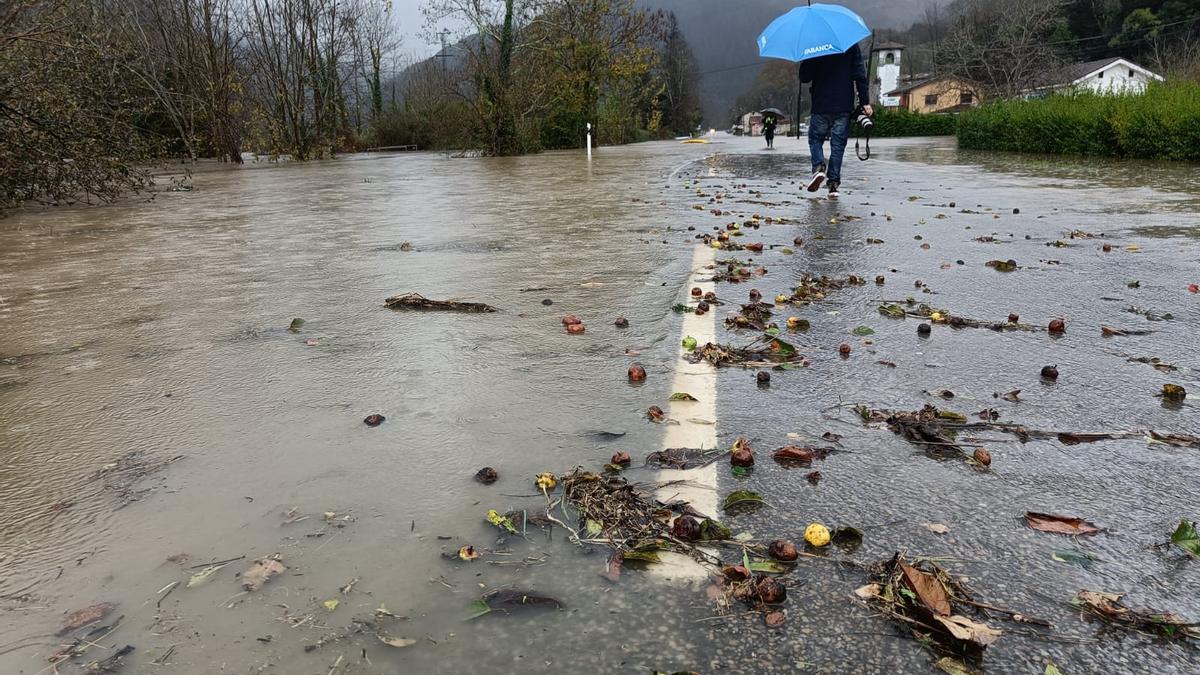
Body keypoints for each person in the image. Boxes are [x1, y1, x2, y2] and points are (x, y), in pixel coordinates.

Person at [799, 43, 872, 199]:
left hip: (821, 104)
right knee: (838, 145)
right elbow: (859, 75)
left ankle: (819, 167)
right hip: (843, 104)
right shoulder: (850, 44)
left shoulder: (815, 45)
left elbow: (804, 77)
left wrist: (807, 57)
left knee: (815, 139)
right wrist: (865, 102)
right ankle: (833, 184)